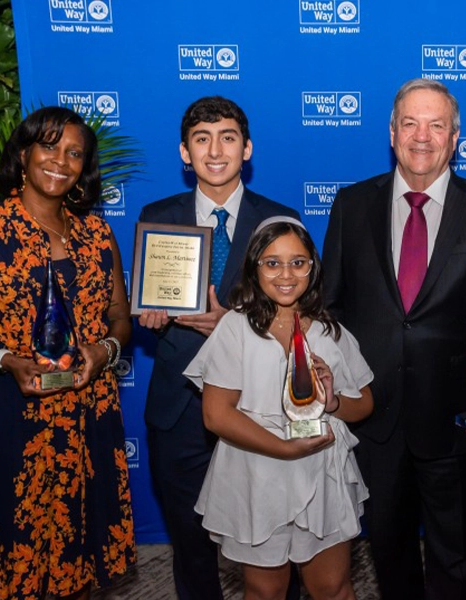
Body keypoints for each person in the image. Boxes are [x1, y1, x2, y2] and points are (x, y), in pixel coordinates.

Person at [322, 79, 466, 599]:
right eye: (411, 124)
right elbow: (328, 308)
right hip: (372, 417)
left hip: (457, 419)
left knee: (457, 557)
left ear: (456, 137)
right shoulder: (352, 205)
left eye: (436, 125)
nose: (423, 136)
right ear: (392, 132)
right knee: (388, 552)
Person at [0, 107, 135, 599]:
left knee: (80, 564)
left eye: (74, 154)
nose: (60, 162)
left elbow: (120, 320)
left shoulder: (96, 235)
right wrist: (3, 359)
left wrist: (103, 351)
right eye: (49, 147)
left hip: (91, 415)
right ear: (24, 154)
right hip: (14, 417)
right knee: (14, 564)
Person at [137, 96, 300, 600]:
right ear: (184, 152)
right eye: (201, 139)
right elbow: (143, 298)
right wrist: (149, 311)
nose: (214, 150)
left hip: (258, 405)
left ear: (246, 149)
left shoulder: (279, 219)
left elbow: (299, 316)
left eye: (227, 138)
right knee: (191, 546)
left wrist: (230, 323)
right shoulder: (157, 216)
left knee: (275, 540)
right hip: (178, 407)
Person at [183, 216, 373, 599]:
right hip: (257, 472)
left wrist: (332, 400)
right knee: (265, 590)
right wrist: (285, 449)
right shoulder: (235, 328)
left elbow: (365, 404)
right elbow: (216, 414)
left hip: (322, 471)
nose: (286, 273)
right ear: (255, 268)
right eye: (272, 263)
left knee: (332, 587)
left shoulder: (329, 330)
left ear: (312, 268)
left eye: (297, 262)